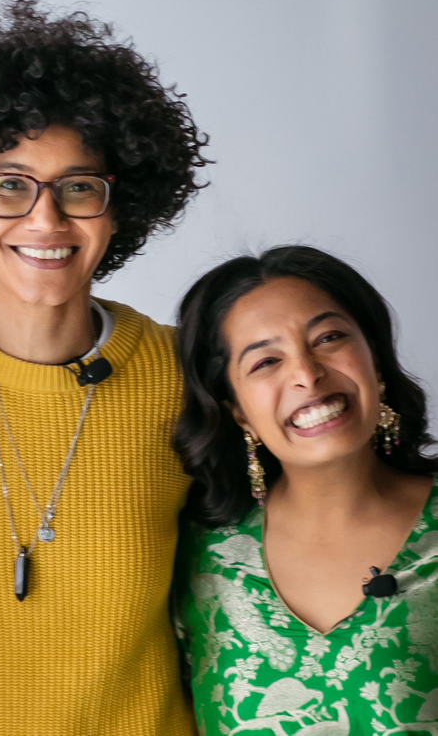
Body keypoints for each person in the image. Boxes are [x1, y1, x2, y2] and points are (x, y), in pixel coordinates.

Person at [0, 0, 210, 734]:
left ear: (120, 208)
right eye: (9, 186)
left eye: (79, 188)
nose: (45, 220)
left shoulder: (183, 371)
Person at [173, 245, 438, 735]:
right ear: (236, 409)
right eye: (265, 362)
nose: (306, 373)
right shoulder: (197, 559)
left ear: (374, 357)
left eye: (329, 337)